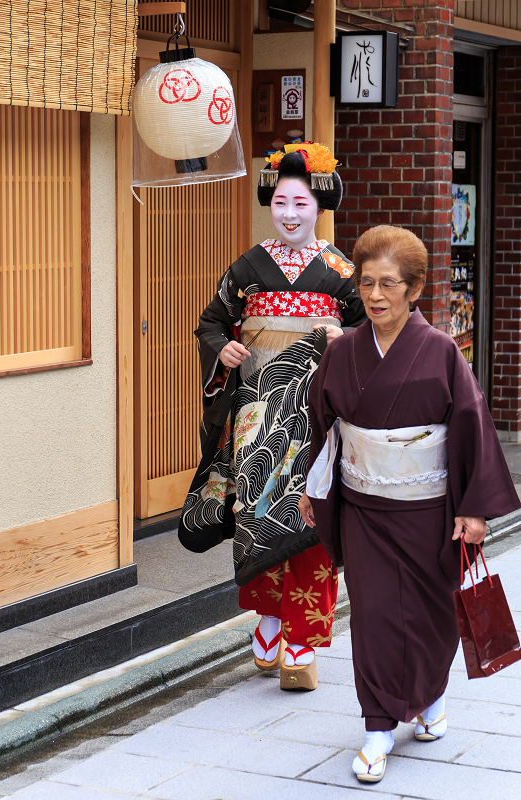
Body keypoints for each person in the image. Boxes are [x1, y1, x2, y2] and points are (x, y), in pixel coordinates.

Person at [299, 224, 521, 782]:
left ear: (415, 288)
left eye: (389, 284)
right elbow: (323, 428)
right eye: (367, 283)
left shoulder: (441, 351)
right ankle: (377, 730)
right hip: (366, 509)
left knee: (430, 617)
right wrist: (314, 487)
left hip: (427, 511)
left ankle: (430, 695)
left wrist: (472, 507)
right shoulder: (345, 351)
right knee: (374, 616)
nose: (375, 295)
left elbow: (470, 425)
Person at [179, 143, 366, 690]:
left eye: (300, 202)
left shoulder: (341, 271)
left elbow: (374, 334)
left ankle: (301, 648)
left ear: (319, 206)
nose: (289, 213)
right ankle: (266, 625)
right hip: (257, 416)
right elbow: (211, 324)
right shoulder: (247, 266)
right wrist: (225, 351)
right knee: (257, 520)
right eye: (281, 201)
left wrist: (343, 338)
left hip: (315, 417)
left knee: (310, 520)